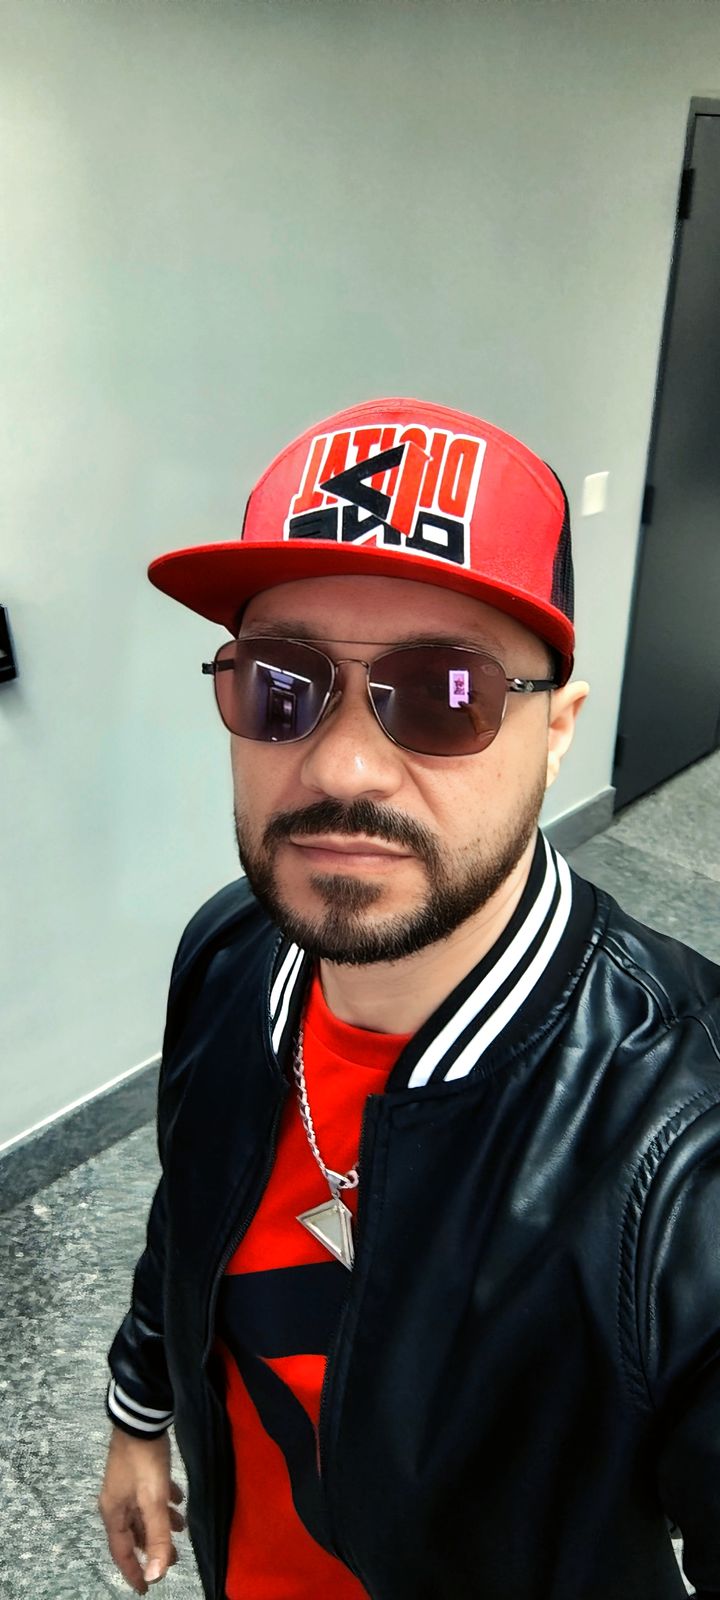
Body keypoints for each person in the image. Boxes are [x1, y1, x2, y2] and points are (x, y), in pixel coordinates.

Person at [98, 397, 720, 1600]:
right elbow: (192, 1203)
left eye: (445, 692)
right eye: (282, 682)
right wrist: (140, 1410)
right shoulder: (234, 952)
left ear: (557, 731)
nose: (340, 766)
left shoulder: (682, 1146)